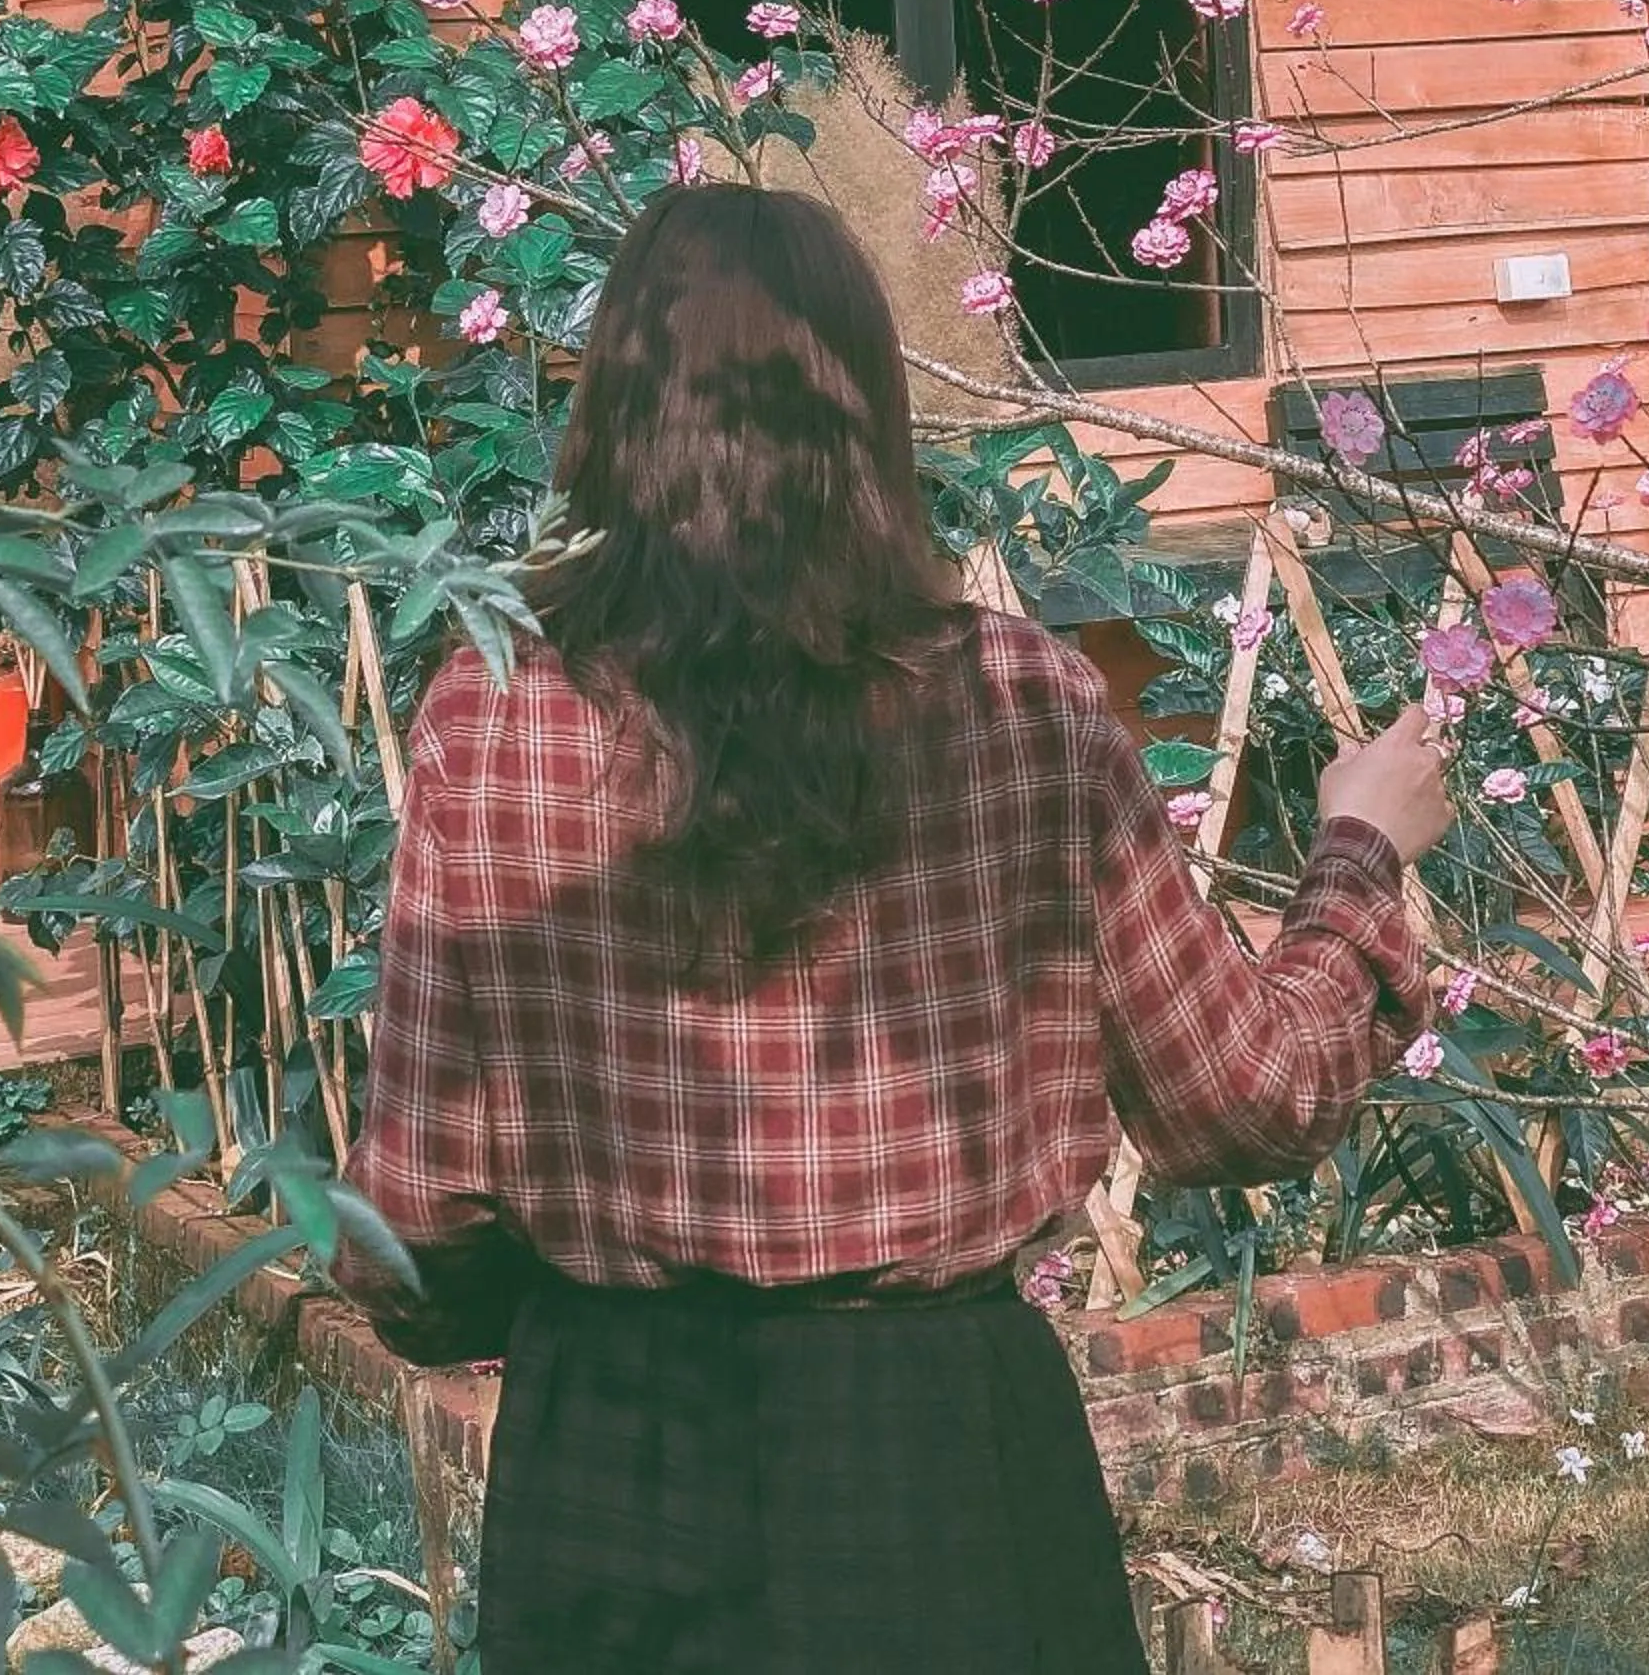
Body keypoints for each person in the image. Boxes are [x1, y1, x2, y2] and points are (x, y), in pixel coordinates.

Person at [339, 185, 1449, 1675]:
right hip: (940, 1448)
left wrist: (552, 1316)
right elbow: (1235, 1097)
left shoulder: (492, 717)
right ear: (866, 412)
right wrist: (1358, 854)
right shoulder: (1015, 702)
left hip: (612, 1445)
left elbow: (411, 1219)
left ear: (604, 407)